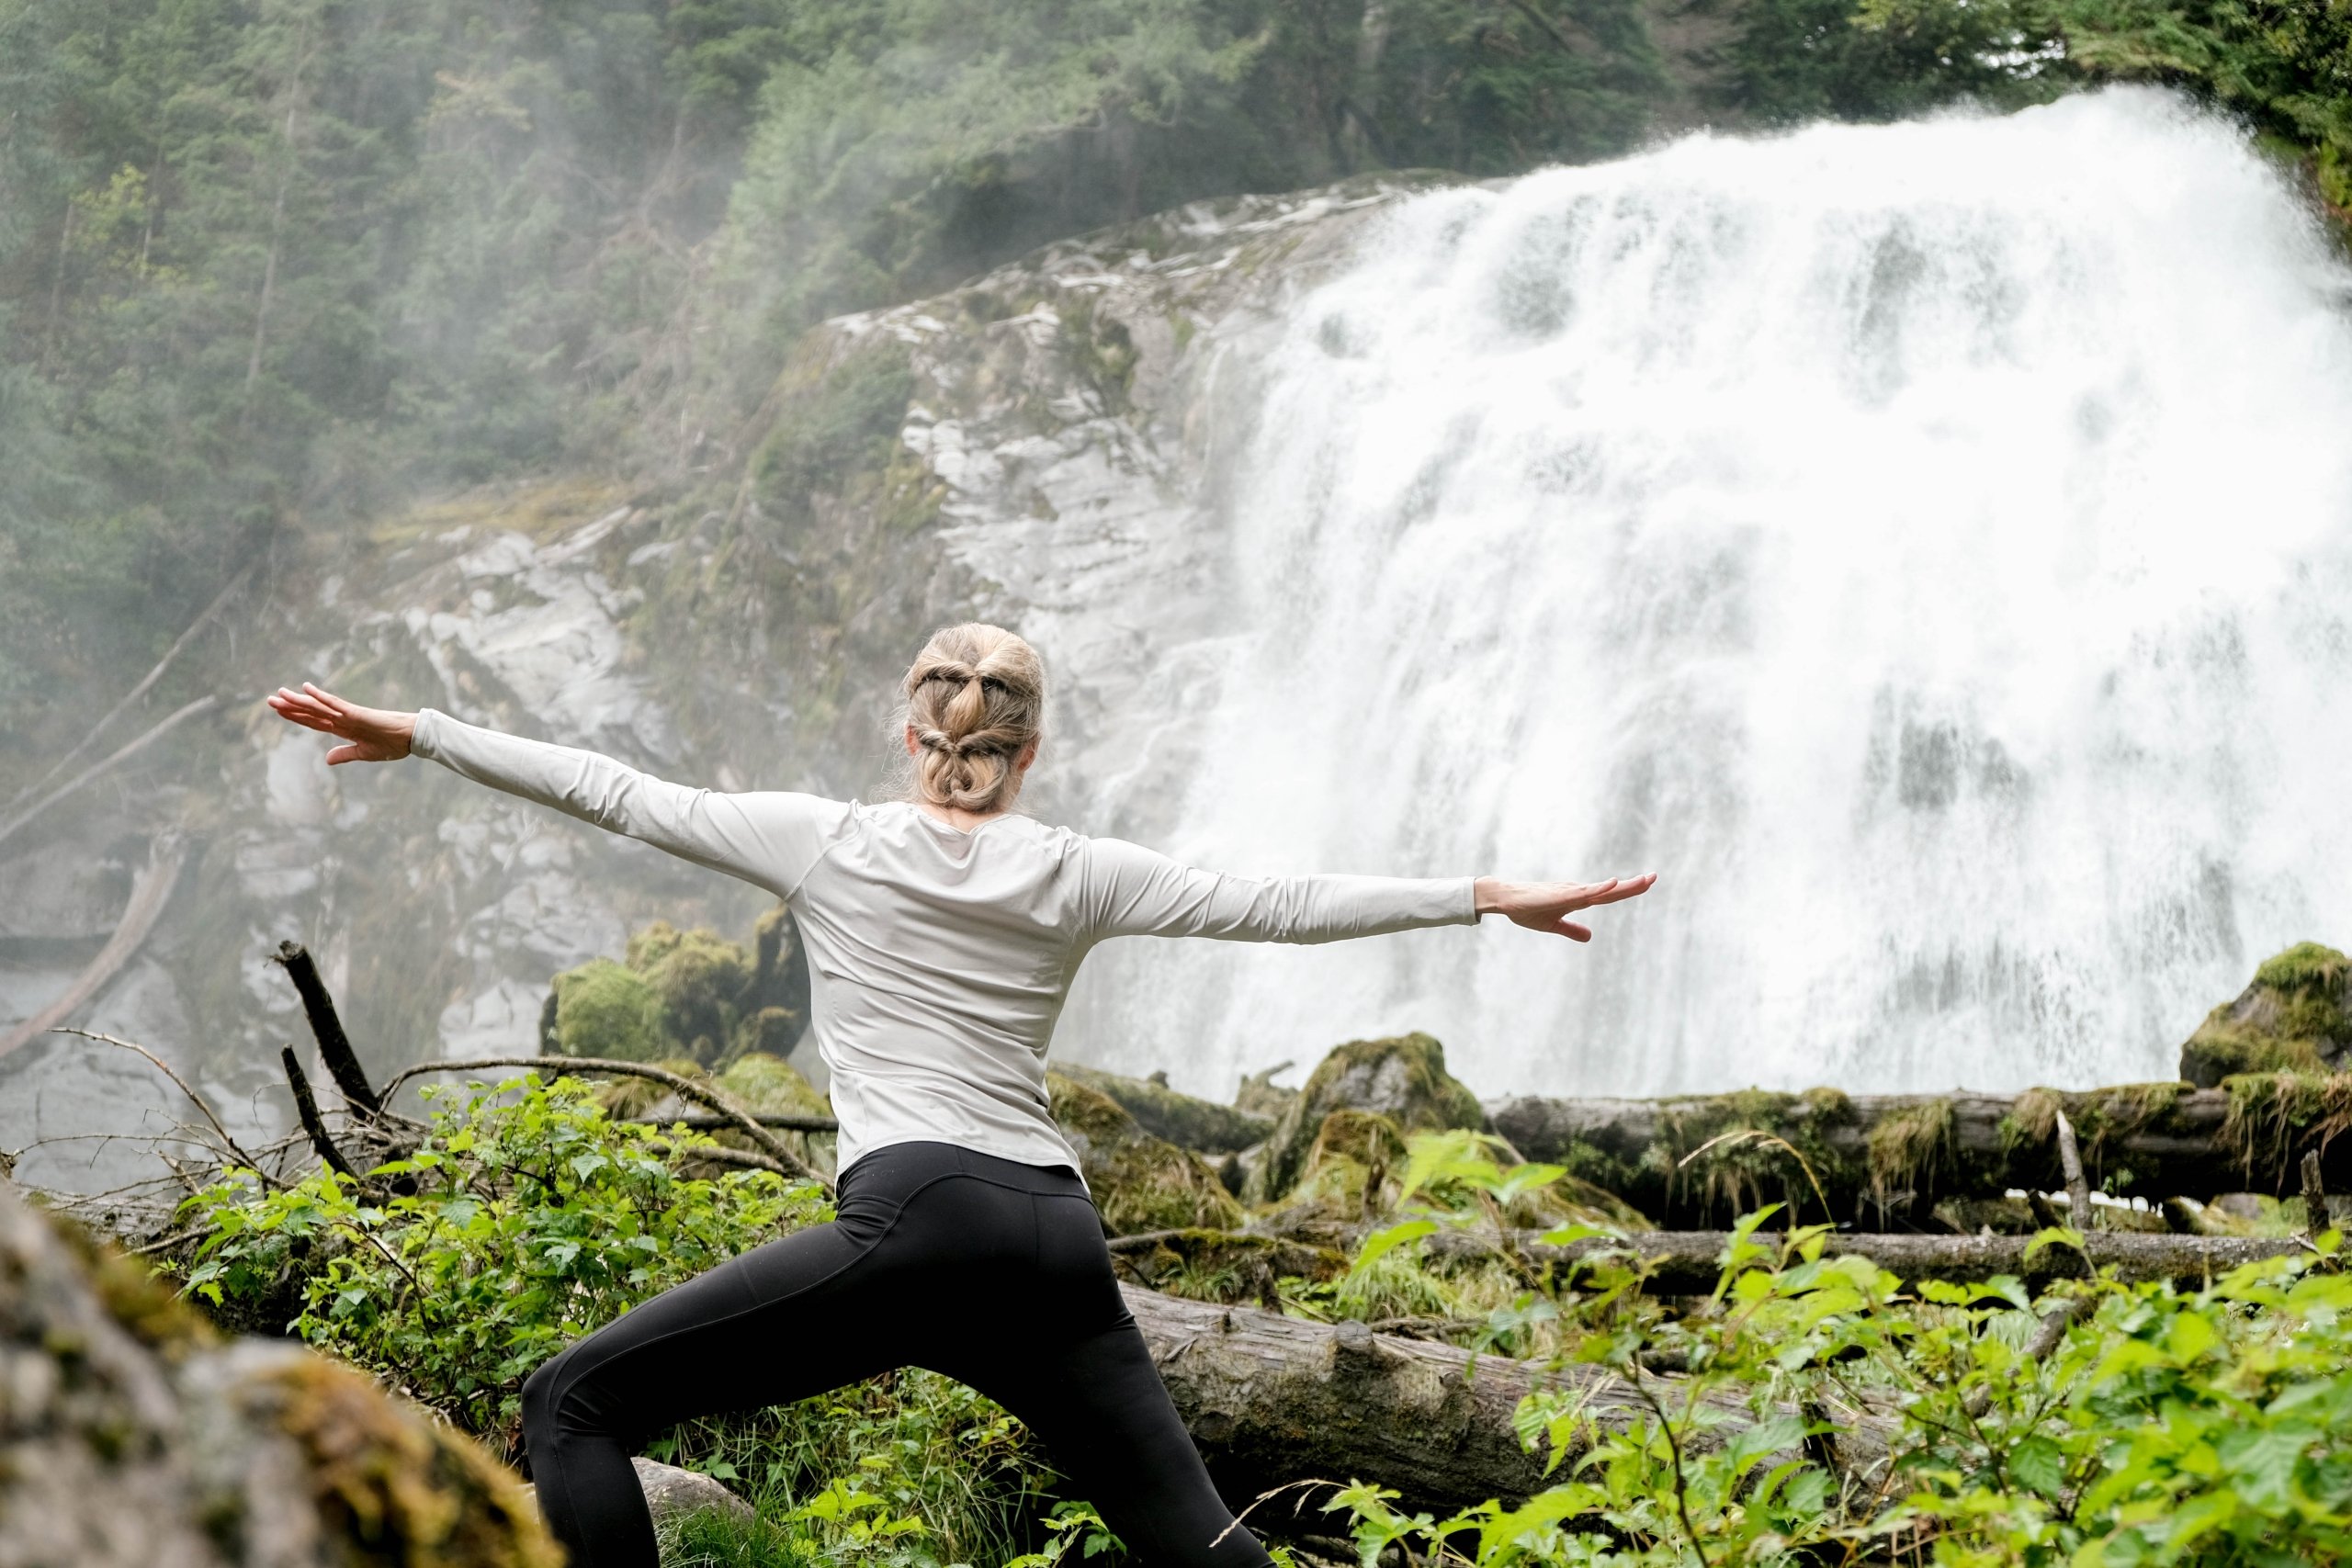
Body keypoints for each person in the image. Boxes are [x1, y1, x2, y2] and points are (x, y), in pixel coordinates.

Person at [266, 622, 1654, 1568]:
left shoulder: (826, 842)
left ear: (910, 726)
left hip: (921, 1211)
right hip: (1053, 1233)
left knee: (573, 1398)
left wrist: (424, 732)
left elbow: (616, 792)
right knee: (1200, 1545)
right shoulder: (1079, 867)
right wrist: (1483, 896)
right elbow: (1278, 903)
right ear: (1027, 750)